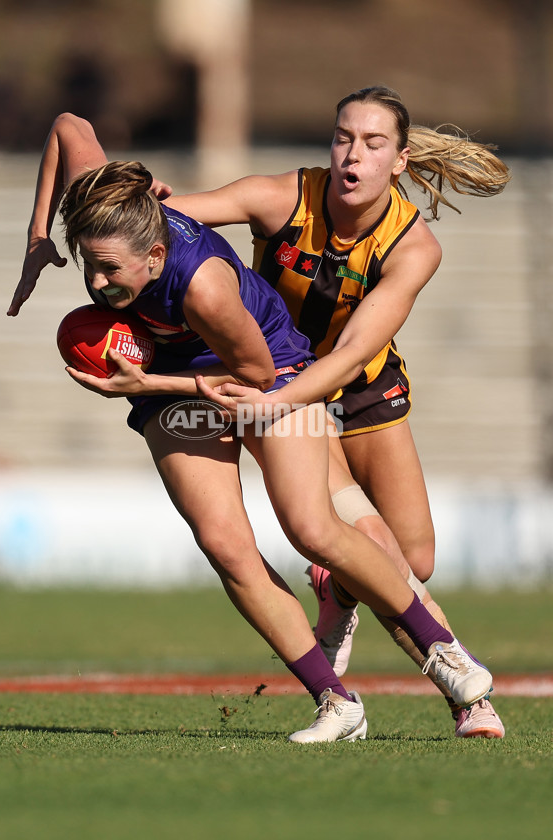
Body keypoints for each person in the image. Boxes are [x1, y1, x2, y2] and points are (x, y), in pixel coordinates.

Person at [8, 112, 496, 744]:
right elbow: (68, 127)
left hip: (267, 369)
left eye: (110, 270)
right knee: (224, 544)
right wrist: (38, 235)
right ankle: (336, 704)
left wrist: (149, 385)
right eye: (88, 268)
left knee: (313, 528)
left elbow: (255, 374)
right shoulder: (108, 205)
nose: (96, 285)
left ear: (156, 255)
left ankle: (444, 652)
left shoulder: (203, 288)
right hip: (178, 372)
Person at [162, 86, 510, 739]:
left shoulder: (413, 247)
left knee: (416, 558)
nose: (353, 154)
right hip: (290, 383)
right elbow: (181, 215)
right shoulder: (283, 197)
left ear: (400, 160)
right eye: (344, 138)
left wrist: (273, 402)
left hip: (360, 386)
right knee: (372, 546)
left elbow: (352, 354)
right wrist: (142, 202)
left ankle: (336, 589)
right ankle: (468, 698)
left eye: (373, 144)